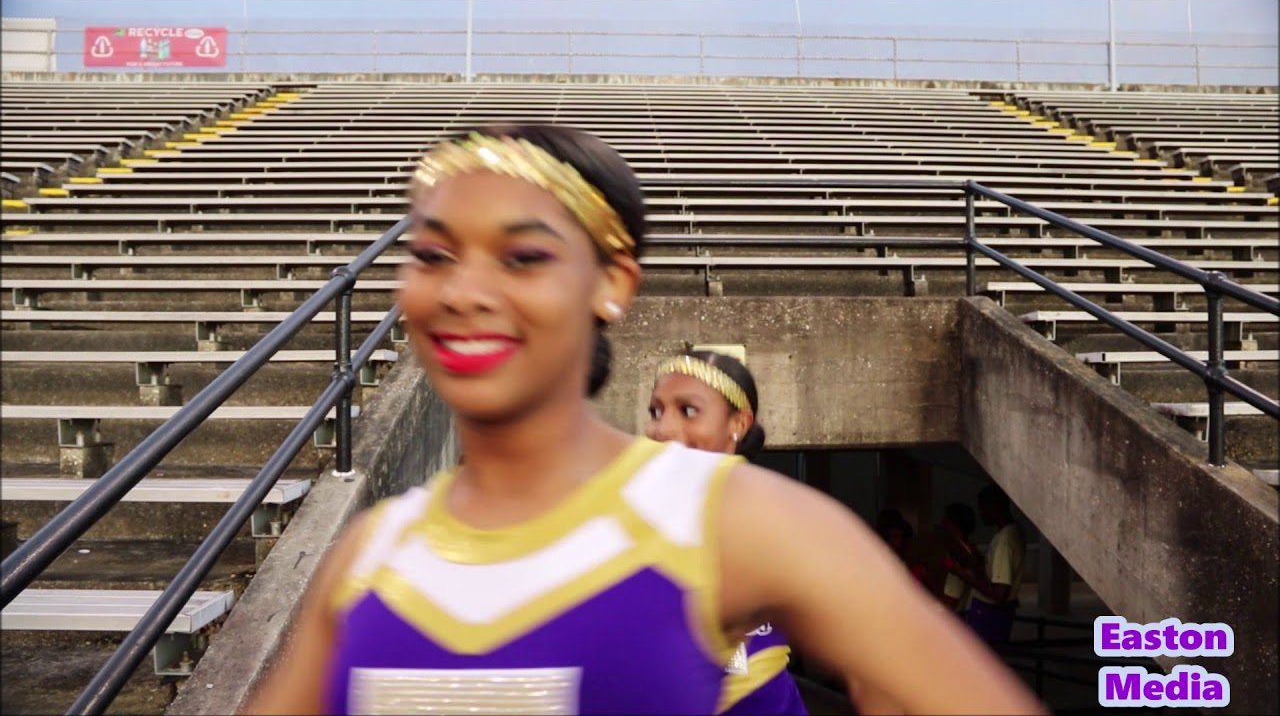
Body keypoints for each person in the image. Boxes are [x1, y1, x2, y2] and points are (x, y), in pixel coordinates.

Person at [244, 124, 1045, 715]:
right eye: (433, 255)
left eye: (523, 257)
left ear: (612, 284)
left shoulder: (743, 525)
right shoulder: (371, 554)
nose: (463, 292)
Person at [646, 349, 806, 715]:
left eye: (689, 411)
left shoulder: (778, 517)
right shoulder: (631, 514)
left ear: (739, 423)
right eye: (656, 411)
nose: (662, 429)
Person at [945, 485, 1026, 644]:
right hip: (996, 612)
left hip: (989, 613)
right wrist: (978, 562)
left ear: (994, 507)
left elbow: (999, 592)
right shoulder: (1012, 532)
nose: (981, 515)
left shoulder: (1004, 541)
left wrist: (960, 573)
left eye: (983, 509)